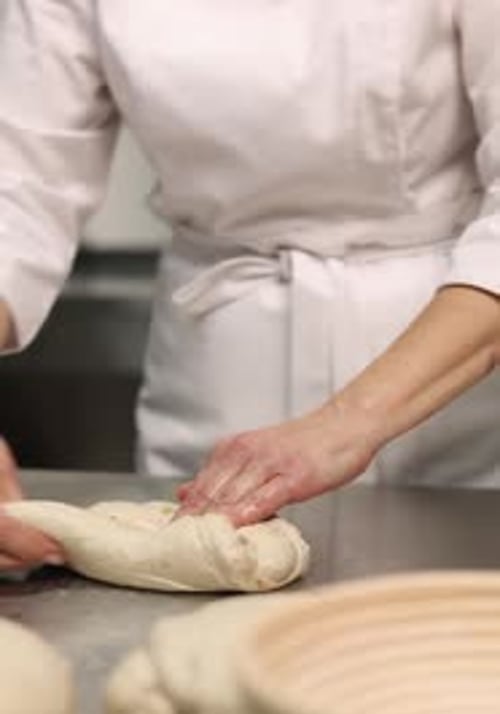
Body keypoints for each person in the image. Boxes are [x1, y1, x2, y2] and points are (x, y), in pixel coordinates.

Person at [1, 1, 500, 571]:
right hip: (219, 368)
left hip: (438, 373)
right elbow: (17, 191)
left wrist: (348, 424)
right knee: (193, 642)